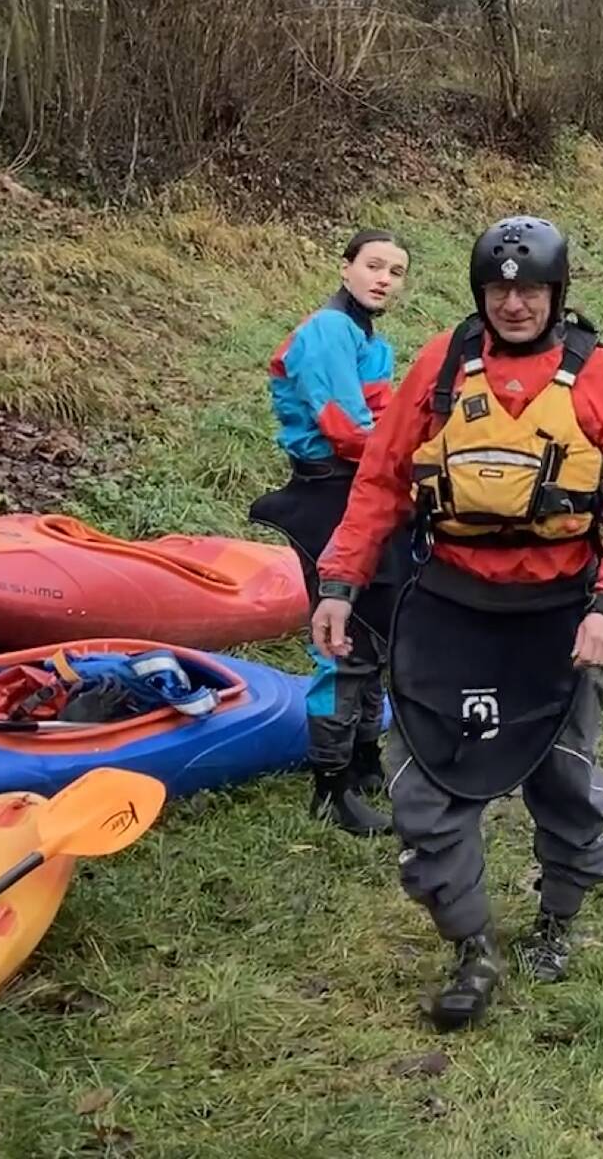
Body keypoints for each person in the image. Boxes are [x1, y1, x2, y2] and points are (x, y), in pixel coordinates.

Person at [313, 216, 603, 1033]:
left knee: (564, 776)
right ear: (481, 293)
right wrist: (339, 581)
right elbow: (379, 483)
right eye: (499, 288)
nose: (514, 304)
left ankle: (559, 914)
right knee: (427, 788)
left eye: (530, 289)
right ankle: (471, 943)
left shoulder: (602, 377)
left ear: (556, 293)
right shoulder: (441, 367)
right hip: (450, 607)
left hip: (560, 613)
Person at [247, 228, 410, 837]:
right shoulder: (326, 332)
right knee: (343, 636)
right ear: (346, 269)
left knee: (376, 628)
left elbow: (388, 417)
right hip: (326, 492)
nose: (383, 279)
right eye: (373, 266)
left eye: (395, 271)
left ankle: (365, 762)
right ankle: (330, 787)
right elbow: (347, 430)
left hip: (362, 489)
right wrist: (419, 458)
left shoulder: (373, 340)